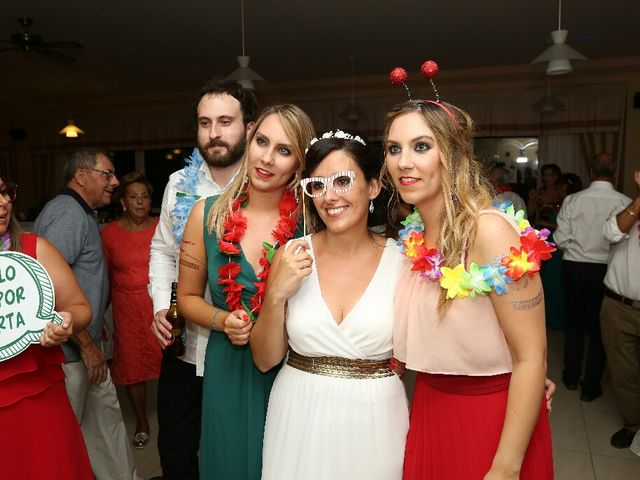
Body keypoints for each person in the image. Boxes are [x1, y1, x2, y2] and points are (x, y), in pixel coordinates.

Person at [385, 99, 553, 479]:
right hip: (429, 407)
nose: (403, 162)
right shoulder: (413, 236)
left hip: (492, 420)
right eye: (394, 149)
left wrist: (506, 468)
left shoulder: (489, 230)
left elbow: (531, 357)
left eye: (421, 146)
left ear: (454, 153)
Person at [252, 132, 409, 480]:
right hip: (297, 413)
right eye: (317, 185)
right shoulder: (291, 255)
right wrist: (276, 295)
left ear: (373, 186)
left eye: (342, 180)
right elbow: (264, 359)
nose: (329, 197)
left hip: (376, 419)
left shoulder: (404, 262)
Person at [177, 104, 315, 479]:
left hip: (293, 365)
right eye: (262, 142)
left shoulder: (312, 224)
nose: (267, 158)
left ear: (299, 164)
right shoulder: (206, 215)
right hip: (229, 366)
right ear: (250, 140)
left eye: (284, 150)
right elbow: (187, 299)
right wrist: (222, 320)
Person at [148, 78, 257, 479]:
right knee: (175, 450)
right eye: (205, 122)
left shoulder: (264, 183)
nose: (214, 133)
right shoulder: (180, 184)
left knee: (238, 446)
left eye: (225, 121)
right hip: (185, 343)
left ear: (249, 128)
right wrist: (162, 306)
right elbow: (162, 249)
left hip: (246, 346)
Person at [32, 149, 139, 479]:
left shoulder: (82, 213)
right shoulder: (66, 214)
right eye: (107, 174)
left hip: (84, 349)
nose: (115, 182)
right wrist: (86, 345)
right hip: (69, 355)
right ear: (81, 175)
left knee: (106, 431)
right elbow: (45, 289)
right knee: (63, 442)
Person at [0, 176, 93, 479]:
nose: (3, 203)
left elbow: (80, 308)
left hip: (36, 394)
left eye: (5, 193)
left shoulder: (34, 250)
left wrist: (65, 323)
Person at [554, 153, 629, 402]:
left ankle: (571, 377)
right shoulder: (626, 202)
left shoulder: (573, 200)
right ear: (615, 172)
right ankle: (590, 387)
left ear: (590, 170)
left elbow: (560, 239)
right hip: (606, 270)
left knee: (574, 324)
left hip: (574, 268)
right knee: (599, 330)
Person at [102, 172, 160, 449]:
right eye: (133, 197)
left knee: (169, 362)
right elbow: (105, 277)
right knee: (133, 366)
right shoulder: (110, 234)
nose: (140, 202)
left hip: (158, 306)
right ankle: (141, 420)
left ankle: (172, 415)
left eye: (145, 196)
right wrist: (100, 315)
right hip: (126, 309)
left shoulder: (162, 227)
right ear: (123, 201)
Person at [600, 169, 640, 448]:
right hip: (619, 307)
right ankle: (632, 424)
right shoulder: (623, 206)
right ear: (637, 176)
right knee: (624, 373)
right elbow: (610, 233)